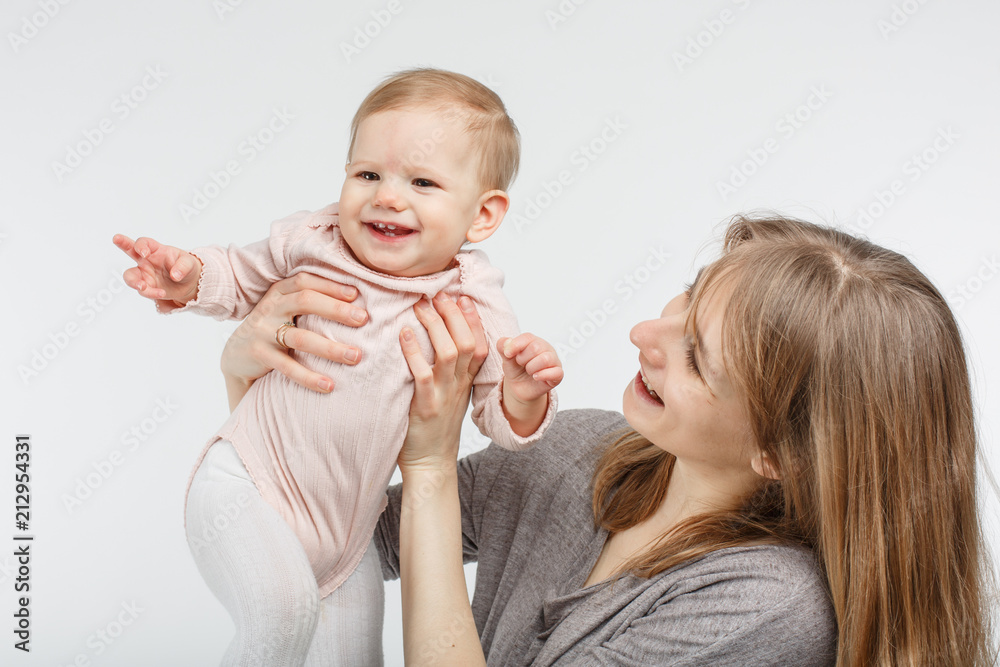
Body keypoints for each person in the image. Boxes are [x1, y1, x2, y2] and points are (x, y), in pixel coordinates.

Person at [221, 214, 995, 665]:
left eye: (697, 355)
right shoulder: (575, 450)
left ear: (782, 454)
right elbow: (329, 542)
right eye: (687, 299)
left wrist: (429, 465)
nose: (643, 334)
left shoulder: (767, 606)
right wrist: (260, 385)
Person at [112, 68, 562, 666]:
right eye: (368, 173)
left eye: (423, 181)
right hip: (248, 483)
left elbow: (493, 409)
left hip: (349, 537)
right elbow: (239, 276)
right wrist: (187, 274)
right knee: (280, 616)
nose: (387, 196)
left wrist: (524, 393)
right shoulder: (317, 239)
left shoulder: (473, 298)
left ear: (482, 216)